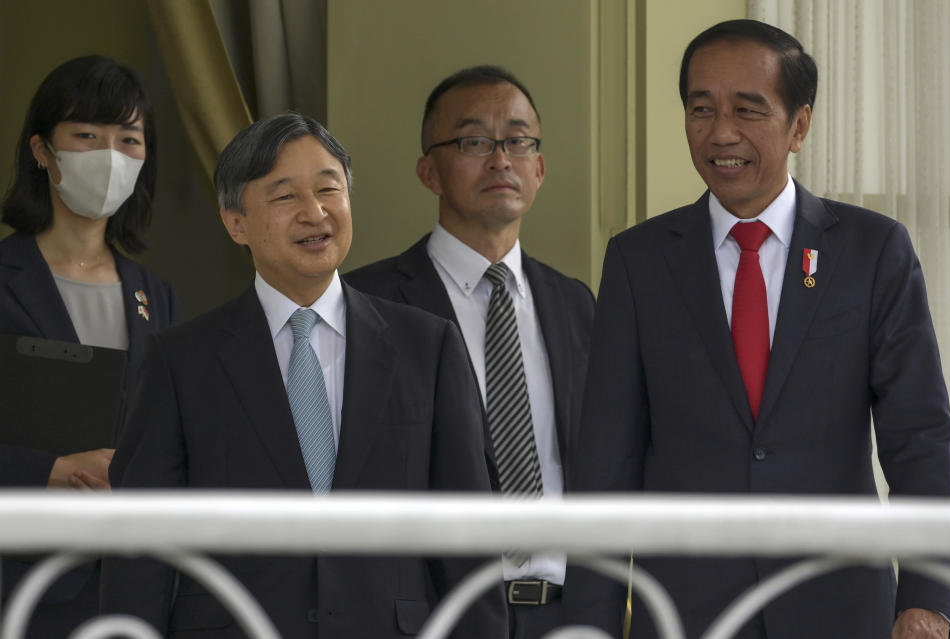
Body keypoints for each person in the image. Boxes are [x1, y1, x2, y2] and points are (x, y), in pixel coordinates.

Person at [564, 19, 950, 639]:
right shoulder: (639, 261)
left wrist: (930, 597)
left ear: (800, 125)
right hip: (687, 612)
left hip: (840, 606)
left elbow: (920, 438)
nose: (722, 133)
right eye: (702, 109)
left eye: (748, 110)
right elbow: (606, 462)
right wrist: (590, 622)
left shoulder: (872, 250)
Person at [100, 113, 508, 638]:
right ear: (235, 222)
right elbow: (139, 554)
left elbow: (468, 539)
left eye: (328, 189)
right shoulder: (181, 362)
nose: (315, 212)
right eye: (285, 196)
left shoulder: (427, 347)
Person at [345, 65, 594, 639]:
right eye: (474, 141)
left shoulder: (577, 304)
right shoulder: (369, 304)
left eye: (518, 140)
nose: (500, 159)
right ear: (428, 171)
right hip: (432, 615)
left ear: (540, 167)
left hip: (567, 615)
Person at [0, 55, 177, 637]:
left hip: (130, 586)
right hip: (19, 581)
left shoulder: (156, 295)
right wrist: (49, 469)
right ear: (41, 150)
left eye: (129, 139)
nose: (109, 155)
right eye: (86, 135)